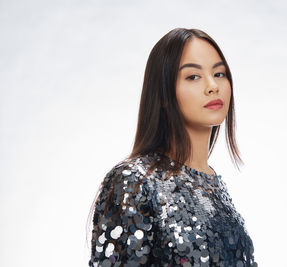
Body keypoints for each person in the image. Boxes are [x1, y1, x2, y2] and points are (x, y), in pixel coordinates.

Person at [88, 28, 257, 267]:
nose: (212, 86)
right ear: (164, 94)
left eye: (219, 73)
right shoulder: (134, 181)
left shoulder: (215, 186)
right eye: (193, 77)